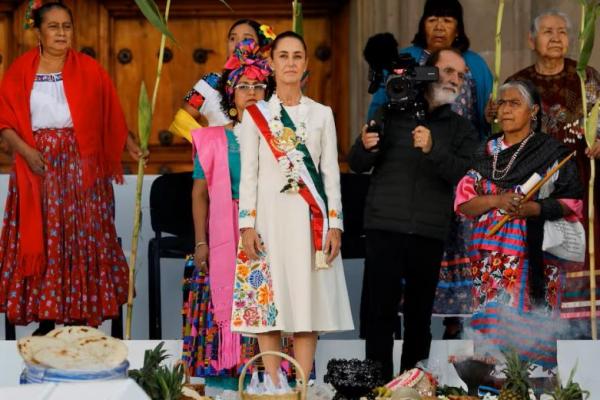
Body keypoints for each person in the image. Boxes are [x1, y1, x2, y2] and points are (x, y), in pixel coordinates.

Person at [0, 2, 130, 332]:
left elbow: (109, 115)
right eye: (54, 27)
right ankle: (46, 317)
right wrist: (26, 152)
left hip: (81, 169)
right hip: (37, 167)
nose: (61, 33)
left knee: (84, 237)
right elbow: (5, 123)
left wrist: (132, 146)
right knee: (44, 237)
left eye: (67, 26)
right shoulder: (19, 71)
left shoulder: (90, 69)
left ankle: (80, 314)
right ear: (38, 32)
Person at [350, 48, 479, 379]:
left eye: (461, 75)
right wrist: (365, 145)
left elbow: (463, 175)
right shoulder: (390, 111)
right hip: (384, 225)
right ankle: (376, 387)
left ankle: (413, 385)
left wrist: (433, 148)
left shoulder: (461, 128)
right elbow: (357, 164)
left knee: (419, 318)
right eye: (448, 71)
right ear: (428, 71)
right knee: (380, 313)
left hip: (428, 231)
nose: (455, 79)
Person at [233, 31, 354, 384]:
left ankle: (301, 385)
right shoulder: (255, 115)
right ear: (270, 64)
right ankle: (273, 384)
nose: (289, 62)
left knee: (306, 303)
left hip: (308, 221)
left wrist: (335, 225)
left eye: (296, 56)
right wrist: (247, 224)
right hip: (268, 220)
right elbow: (249, 176)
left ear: (305, 64)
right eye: (282, 56)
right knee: (267, 305)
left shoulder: (322, 114)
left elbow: (331, 173)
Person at [459, 80, 583, 366]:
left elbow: (572, 202)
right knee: (492, 332)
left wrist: (534, 208)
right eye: (502, 103)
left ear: (534, 111)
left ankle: (535, 390)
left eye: (515, 103)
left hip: (538, 252)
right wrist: (496, 201)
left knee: (535, 331)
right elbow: (463, 202)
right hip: (490, 260)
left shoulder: (552, 152)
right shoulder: (484, 152)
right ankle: (491, 390)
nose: (505, 109)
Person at [488, 10, 600, 326]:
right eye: (548, 31)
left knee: (581, 255)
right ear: (531, 39)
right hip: (530, 189)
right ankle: (533, 331)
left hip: (578, 187)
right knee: (533, 256)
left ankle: (582, 333)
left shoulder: (586, 77)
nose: (556, 37)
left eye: (562, 32)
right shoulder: (517, 83)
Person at [182, 39, 272, 381]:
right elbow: (199, 193)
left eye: (259, 86)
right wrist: (201, 242)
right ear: (230, 96)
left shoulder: (280, 138)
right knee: (225, 304)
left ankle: (273, 378)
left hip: (268, 231)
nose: (251, 93)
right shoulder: (212, 139)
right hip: (224, 234)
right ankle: (227, 376)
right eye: (244, 86)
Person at [367, 0, 492, 139]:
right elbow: (379, 105)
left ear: (458, 30)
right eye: (432, 20)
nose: (439, 27)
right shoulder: (401, 60)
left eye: (447, 20)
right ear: (423, 27)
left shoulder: (476, 64)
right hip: (409, 147)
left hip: (463, 150)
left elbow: (487, 115)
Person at [170, 19, 275, 141]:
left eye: (247, 38)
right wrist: (213, 137)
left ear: (261, 46)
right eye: (232, 38)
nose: (238, 43)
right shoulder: (211, 81)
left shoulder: (270, 83)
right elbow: (181, 121)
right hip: (222, 157)